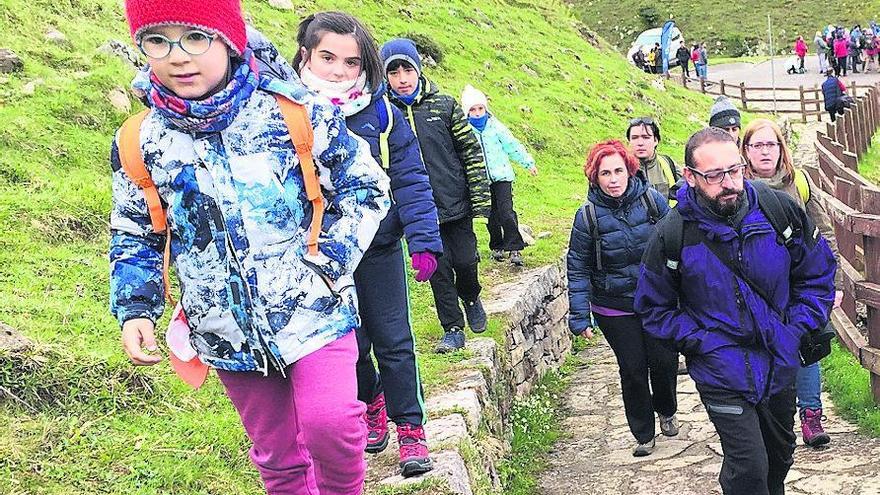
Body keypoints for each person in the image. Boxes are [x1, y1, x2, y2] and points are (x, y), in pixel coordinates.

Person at [110, 0, 391, 493]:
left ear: (229, 39)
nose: (178, 57)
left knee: (334, 426)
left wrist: (330, 262)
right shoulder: (140, 139)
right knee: (277, 455)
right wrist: (136, 308)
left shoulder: (293, 112)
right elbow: (135, 230)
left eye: (196, 37)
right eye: (158, 40)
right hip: (223, 327)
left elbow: (366, 187)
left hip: (313, 310)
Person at [635, 127, 836, 495]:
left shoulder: (778, 210)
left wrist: (797, 327)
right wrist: (702, 343)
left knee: (779, 457)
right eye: (714, 175)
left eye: (734, 170)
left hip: (779, 357)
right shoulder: (672, 234)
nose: (728, 183)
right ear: (690, 177)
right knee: (749, 468)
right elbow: (653, 307)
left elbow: (817, 272)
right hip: (721, 369)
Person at [290, 12, 443, 477]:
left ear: (366, 66)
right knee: (347, 347)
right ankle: (370, 399)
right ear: (306, 56)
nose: (339, 71)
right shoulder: (283, 111)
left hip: (378, 248)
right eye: (328, 57)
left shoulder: (382, 113)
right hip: (318, 258)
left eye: (352, 61)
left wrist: (424, 240)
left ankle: (411, 430)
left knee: (395, 341)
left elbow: (412, 179)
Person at [567, 140, 678, 457]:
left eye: (618, 171)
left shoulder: (652, 202)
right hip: (613, 305)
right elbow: (578, 267)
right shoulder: (587, 217)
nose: (613, 179)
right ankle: (643, 433)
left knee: (663, 361)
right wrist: (579, 315)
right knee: (632, 368)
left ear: (630, 171)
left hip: (657, 300)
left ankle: (667, 409)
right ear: (595, 177)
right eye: (605, 173)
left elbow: (674, 243)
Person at [380, 38, 491, 354]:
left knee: (466, 261)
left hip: (455, 203)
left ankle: (470, 295)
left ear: (417, 70)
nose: (402, 79)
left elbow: (469, 151)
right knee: (438, 273)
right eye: (394, 72)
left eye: (407, 70)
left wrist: (481, 199)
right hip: (417, 213)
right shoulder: (385, 114)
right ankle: (453, 329)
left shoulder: (445, 105)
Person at [741, 119, 842, 448]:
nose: (765, 151)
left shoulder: (799, 182)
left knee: (807, 348)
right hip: (756, 289)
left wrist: (834, 281)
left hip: (799, 285)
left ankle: (811, 415)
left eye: (771, 144)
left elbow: (824, 233)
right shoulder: (735, 190)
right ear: (746, 151)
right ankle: (769, 418)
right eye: (758, 145)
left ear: (781, 148)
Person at [461, 84, 537, 266]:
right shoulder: (465, 131)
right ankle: (497, 246)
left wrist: (528, 163)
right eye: (473, 110)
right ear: (467, 112)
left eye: (481, 108)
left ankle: (515, 247)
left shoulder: (496, 127)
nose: (478, 113)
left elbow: (512, 145)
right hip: (481, 179)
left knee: (506, 212)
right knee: (490, 215)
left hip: (502, 177)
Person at [625, 117, 682, 203]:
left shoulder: (668, 164)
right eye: (635, 138)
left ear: (655, 140)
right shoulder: (621, 168)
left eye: (646, 137)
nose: (640, 143)